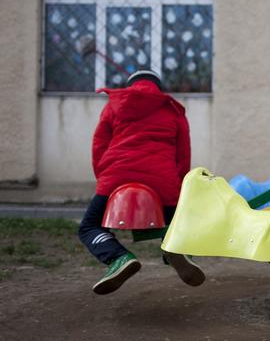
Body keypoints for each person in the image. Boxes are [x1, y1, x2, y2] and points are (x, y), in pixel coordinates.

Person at [77, 70, 204, 295]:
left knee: (89, 226)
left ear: (129, 86)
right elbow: (183, 156)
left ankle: (118, 257)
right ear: (158, 87)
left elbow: (99, 146)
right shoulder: (172, 110)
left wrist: (103, 181)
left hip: (116, 177)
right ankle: (177, 249)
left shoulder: (113, 106)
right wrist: (178, 187)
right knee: (179, 222)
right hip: (163, 181)